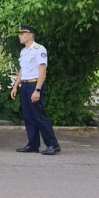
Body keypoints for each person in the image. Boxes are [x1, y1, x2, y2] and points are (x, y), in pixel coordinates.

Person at [10, 25, 61, 155]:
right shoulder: (24, 51)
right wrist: (16, 85)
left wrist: (37, 90)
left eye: (22, 33)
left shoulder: (38, 49)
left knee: (39, 116)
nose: (19, 36)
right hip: (26, 85)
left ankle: (52, 145)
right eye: (19, 34)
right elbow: (22, 70)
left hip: (35, 84)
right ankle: (33, 144)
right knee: (28, 117)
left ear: (30, 35)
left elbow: (42, 70)